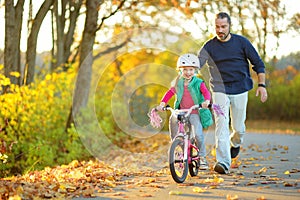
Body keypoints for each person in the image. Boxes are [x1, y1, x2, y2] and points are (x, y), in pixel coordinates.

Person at [198, 12, 268, 174]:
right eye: (217, 26)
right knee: (221, 125)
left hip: (240, 88)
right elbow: (196, 65)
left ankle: (235, 143)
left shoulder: (241, 43)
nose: (220, 30)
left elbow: (258, 64)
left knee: (239, 127)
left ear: (229, 26)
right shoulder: (209, 46)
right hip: (219, 90)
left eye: (223, 26)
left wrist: (262, 85)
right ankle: (223, 162)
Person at [156, 53, 213, 170]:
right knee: (173, 120)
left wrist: (206, 101)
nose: (188, 72)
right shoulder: (178, 82)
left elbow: (206, 93)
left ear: (195, 70)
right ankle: (176, 144)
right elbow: (169, 93)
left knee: (198, 134)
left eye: (191, 69)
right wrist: (162, 103)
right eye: (185, 70)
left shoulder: (198, 82)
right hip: (181, 111)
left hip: (194, 112)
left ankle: (202, 158)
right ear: (180, 70)